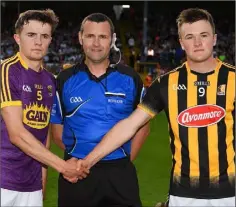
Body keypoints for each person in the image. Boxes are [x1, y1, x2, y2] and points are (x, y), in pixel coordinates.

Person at [80, 8, 235, 207]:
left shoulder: (233, 80)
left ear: (214, 39)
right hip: (183, 194)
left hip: (229, 194)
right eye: (190, 36)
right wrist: (88, 161)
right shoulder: (166, 84)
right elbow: (129, 125)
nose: (197, 43)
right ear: (181, 42)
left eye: (203, 35)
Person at [50, 13, 149, 207]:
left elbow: (143, 126)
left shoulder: (130, 79)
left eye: (102, 37)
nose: (96, 43)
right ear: (80, 38)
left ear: (112, 40)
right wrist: (79, 161)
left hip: (120, 174)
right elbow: (57, 131)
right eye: (90, 36)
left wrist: (124, 160)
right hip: (76, 173)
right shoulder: (64, 79)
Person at [0, 9, 86, 207]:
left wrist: (42, 182)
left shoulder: (50, 80)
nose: (38, 42)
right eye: (31, 35)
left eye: (44, 36)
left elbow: (44, 135)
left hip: (32, 186)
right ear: (17, 38)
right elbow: (17, 134)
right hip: (4, 180)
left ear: (50, 40)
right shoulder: (8, 70)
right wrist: (63, 166)